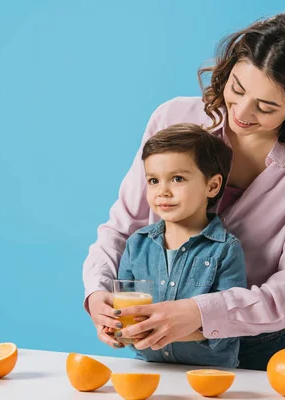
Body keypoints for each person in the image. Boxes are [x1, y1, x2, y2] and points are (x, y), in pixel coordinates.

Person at [83, 12, 285, 371]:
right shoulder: (173, 118)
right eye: (237, 89)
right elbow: (124, 226)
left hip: (258, 350)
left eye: (267, 107)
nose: (241, 111)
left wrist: (197, 313)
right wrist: (98, 291)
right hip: (160, 346)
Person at [115, 123, 247, 368]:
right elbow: (125, 313)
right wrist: (119, 330)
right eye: (153, 180)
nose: (162, 191)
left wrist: (160, 330)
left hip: (210, 375)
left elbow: (229, 322)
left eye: (177, 178)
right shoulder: (137, 245)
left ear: (212, 186)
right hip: (150, 370)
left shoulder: (225, 250)